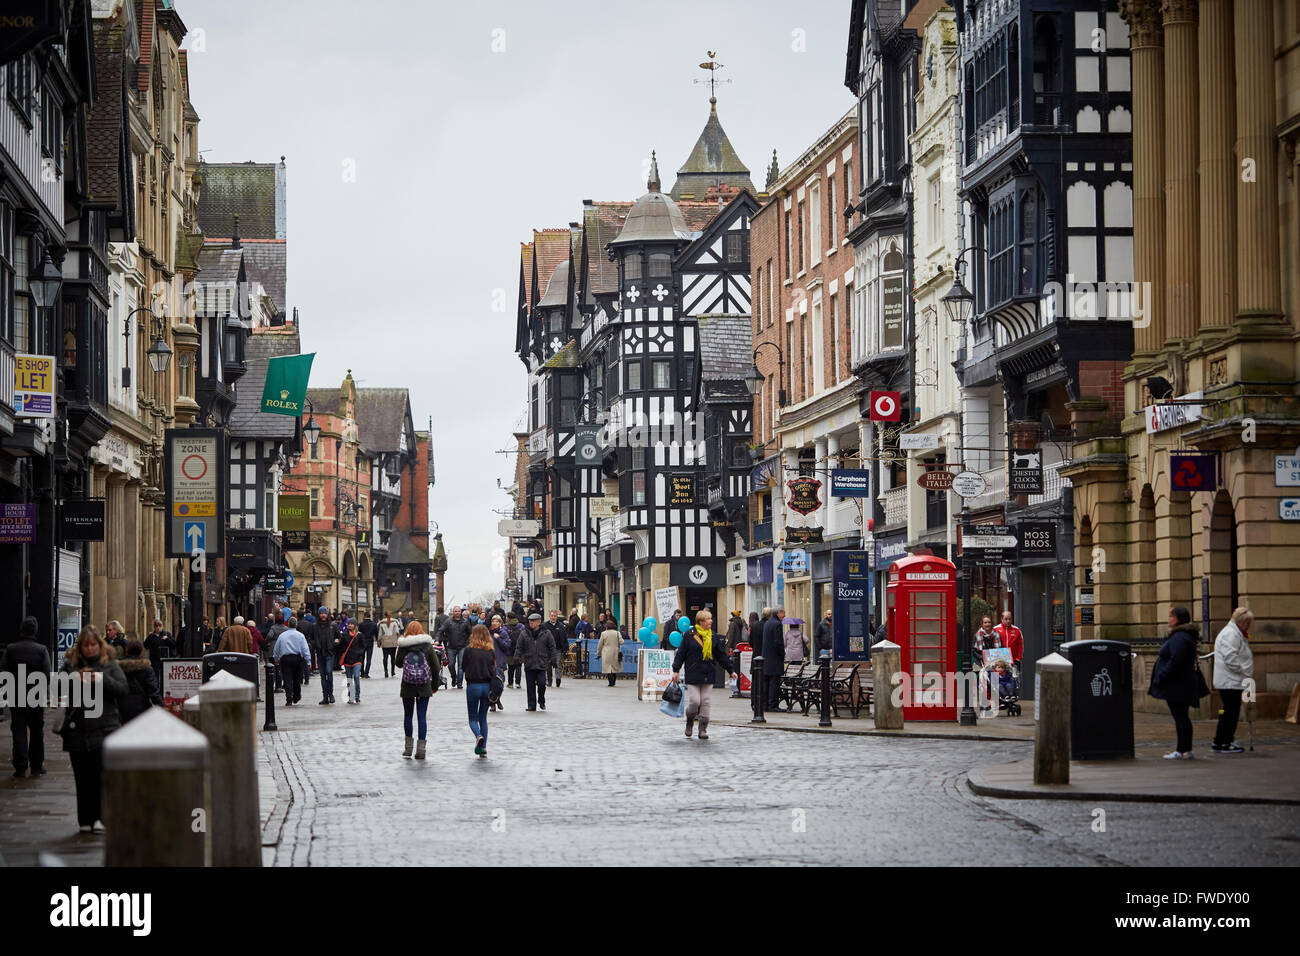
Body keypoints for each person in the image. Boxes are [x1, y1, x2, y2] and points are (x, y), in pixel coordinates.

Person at [59, 626, 127, 832]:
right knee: (82, 778)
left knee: (99, 776)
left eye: (93, 645)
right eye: (86, 645)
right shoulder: (71, 665)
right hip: (76, 730)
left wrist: (99, 679)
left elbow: (122, 689)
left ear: (100, 645)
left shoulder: (109, 665)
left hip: (104, 729)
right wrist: (75, 679)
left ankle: (99, 818)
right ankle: (85, 821)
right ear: (80, 647)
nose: (89, 649)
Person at [671, 609, 737, 740]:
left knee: (705, 701)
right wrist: (676, 670)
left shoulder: (713, 636)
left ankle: (703, 729)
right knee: (695, 701)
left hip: (708, 673)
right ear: (701, 621)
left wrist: (731, 670)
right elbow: (681, 654)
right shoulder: (689, 635)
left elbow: (721, 655)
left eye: (711, 618)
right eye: (708, 619)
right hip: (693, 672)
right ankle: (690, 720)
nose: (711, 621)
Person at [1148, 606, 1202, 759]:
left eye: (1171, 616)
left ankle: (1182, 750)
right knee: (1182, 717)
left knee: (1181, 717)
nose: (1168, 619)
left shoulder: (1180, 638)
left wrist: (1162, 676)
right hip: (1179, 683)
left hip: (1177, 684)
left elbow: (1175, 661)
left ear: (1178, 619)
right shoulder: (1182, 636)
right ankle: (1185, 750)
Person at [3, 617, 51, 778]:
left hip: (16, 696)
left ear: (21, 630)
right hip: (35, 697)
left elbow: (3, 673)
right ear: (35, 631)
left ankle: (20, 766)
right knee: (37, 732)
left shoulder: (10, 649)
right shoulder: (41, 650)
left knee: (19, 732)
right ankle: (37, 766)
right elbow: (46, 675)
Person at [1212, 608, 1255, 754]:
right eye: (1248, 623)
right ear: (1241, 622)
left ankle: (1221, 740)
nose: (1249, 626)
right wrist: (1244, 672)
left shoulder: (1236, 633)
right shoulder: (1231, 634)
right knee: (1230, 712)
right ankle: (1225, 741)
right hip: (1231, 681)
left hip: (1232, 680)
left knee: (1228, 711)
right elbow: (1230, 658)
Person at [395, 622, 439, 759]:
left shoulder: (404, 646)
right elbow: (436, 667)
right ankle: (421, 750)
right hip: (424, 685)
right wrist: (434, 686)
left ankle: (408, 749)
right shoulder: (427, 645)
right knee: (421, 716)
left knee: (408, 715)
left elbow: (397, 663)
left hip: (408, 684)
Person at [463, 624, 497, 757]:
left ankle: (478, 736)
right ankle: (483, 749)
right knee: (483, 718)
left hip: (473, 686)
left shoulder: (468, 650)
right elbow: (493, 668)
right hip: (487, 686)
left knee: (473, 718)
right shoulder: (490, 651)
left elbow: (463, 666)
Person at [515, 612, 556, 711]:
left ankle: (541, 699)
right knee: (530, 686)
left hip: (542, 662)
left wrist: (553, 659)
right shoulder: (524, 633)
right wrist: (517, 657)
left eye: (533, 621)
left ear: (539, 622)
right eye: (530, 621)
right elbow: (519, 647)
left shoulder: (547, 633)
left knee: (542, 683)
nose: (531, 623)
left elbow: (552, 646)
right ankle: (531, 705)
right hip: (529, 662)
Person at [118, 640, 163, 723]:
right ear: (140, 652)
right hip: (141, 709)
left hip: (121, 710)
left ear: (126, 651)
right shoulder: (146, 668)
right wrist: (161, 707)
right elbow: (153, 690)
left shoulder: (117, 668)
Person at [273, 618, 312, 706]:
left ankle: (289, 698)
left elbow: (276, 648)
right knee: (296, 678)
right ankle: (296, 696)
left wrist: (276, 659)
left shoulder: (282, 635)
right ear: (296, 625)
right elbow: (305, 649)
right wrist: (308, 661)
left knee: (287, 679)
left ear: (288, 625)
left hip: (285, 659)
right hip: (297, 659)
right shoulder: (300, 635)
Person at [438, 606, 471, 689]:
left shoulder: (465, 622)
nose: (457, 612)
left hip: (462, 647)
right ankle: (454, 678)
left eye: (458, 611)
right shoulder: (448, 621)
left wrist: (468, 642)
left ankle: (459, 683)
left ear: (461, 612)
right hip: (451, 647)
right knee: (451, 665)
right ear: (453, 612)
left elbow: (470, 633)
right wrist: (437, 640)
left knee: (461, 665)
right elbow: (441, 630)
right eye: (455, 611)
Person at [761, 607, 786, 710]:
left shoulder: (767, 623)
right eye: (783, 613)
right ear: (778, 613)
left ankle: (766, 704)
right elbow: (778, 642)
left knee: (767, 682)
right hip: (775, 658)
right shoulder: (777, 624)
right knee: (774, 683)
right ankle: (773, 704)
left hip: (766, 658)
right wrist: (782, 654)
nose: (784, 615)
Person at [312, 611, 337, 704]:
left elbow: (338, 637)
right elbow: (311, 638)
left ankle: (331, 694)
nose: (323, 615)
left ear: (327, 615)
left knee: (329, 673)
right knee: (323, 676)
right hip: (320, 653)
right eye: (321, 613)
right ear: (319, 615)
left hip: (329, 653)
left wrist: (334, 644)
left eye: (325, 613)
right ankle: (325, 697)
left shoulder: (332, 626)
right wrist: (316, 645)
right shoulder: (315, 626)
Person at [489, 614, 512, 712]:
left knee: (499, 684)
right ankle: (492, 703)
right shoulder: (488, 633)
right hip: (489, 661)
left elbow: (507, 646)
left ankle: (497, 699)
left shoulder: (503, 633)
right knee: (491, 684)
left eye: (497, 621)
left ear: (500, 623)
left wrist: (498, 638)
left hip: (499, 661)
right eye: (493, 621)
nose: (494, 623)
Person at [340, 620, 365, 704]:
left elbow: (363, 646)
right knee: (349, 679)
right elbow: (341, 646)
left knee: (357, 677)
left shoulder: (359, 635)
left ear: (355, 625)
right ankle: (351, 696)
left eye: (351, 624)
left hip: (357, 660)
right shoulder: (344, 635)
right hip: (347, 660)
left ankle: (357, 696)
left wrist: (359, 653)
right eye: (349, 624)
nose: (350, 625)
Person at [544, 609, 569, 688]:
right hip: (547, 649)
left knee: (558, 664)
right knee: (548, 665)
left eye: (554, 616)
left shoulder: (561, 626)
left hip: (558, 649)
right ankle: (549, 681)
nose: (553, 617)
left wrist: (566, 648)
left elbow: (564, 638)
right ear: (549, 616)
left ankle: (558, 679)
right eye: (552, 616)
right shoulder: (545, 625)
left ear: (557, 617)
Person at [597, 621, 622, 687]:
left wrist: (598, 653)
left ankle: (610, 682)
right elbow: (622, 642)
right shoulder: (617, 633)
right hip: (615, 652)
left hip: (606, 652)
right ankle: (613, 681)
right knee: (614, 667)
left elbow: (600, 644)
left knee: (608, 668)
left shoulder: (603, 633)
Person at [378, 611, 402, 678]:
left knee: (385, 657)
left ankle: (386, 672)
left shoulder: (381, 623)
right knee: (393, 657)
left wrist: (379, 641)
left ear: (385, 615)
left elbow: (380, 634)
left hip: (385, 642)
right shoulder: (395, 622)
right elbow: (397, 631)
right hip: (393, 642)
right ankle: (392, 671)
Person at [358, 612, 378, 679]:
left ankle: (362, 673)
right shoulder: (374, 625)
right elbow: (376, 634)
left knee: (362, 658)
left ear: (364, 616)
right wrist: (378, 641)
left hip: (362, 642)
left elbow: (359, 634)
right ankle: (366, 673)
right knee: (369, 659)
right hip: (370, 642)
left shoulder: (361, 624)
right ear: (370, 616)